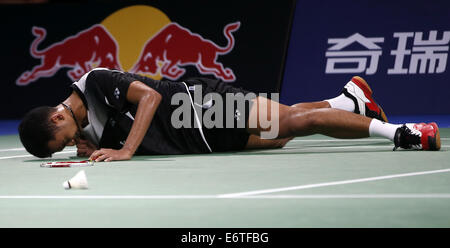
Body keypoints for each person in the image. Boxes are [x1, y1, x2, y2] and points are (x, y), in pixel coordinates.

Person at [18, 68, 441, 162]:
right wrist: (96, 145)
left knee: (294, 122)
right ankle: (349, 101)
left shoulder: (93, 83)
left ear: (57, 119)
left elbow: (149, 98)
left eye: (65, 141)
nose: (72, 145)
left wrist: (124, 150)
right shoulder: (86, 128)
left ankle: (403, 132)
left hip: (200, 108)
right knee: (282, 132)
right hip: (196, 139)